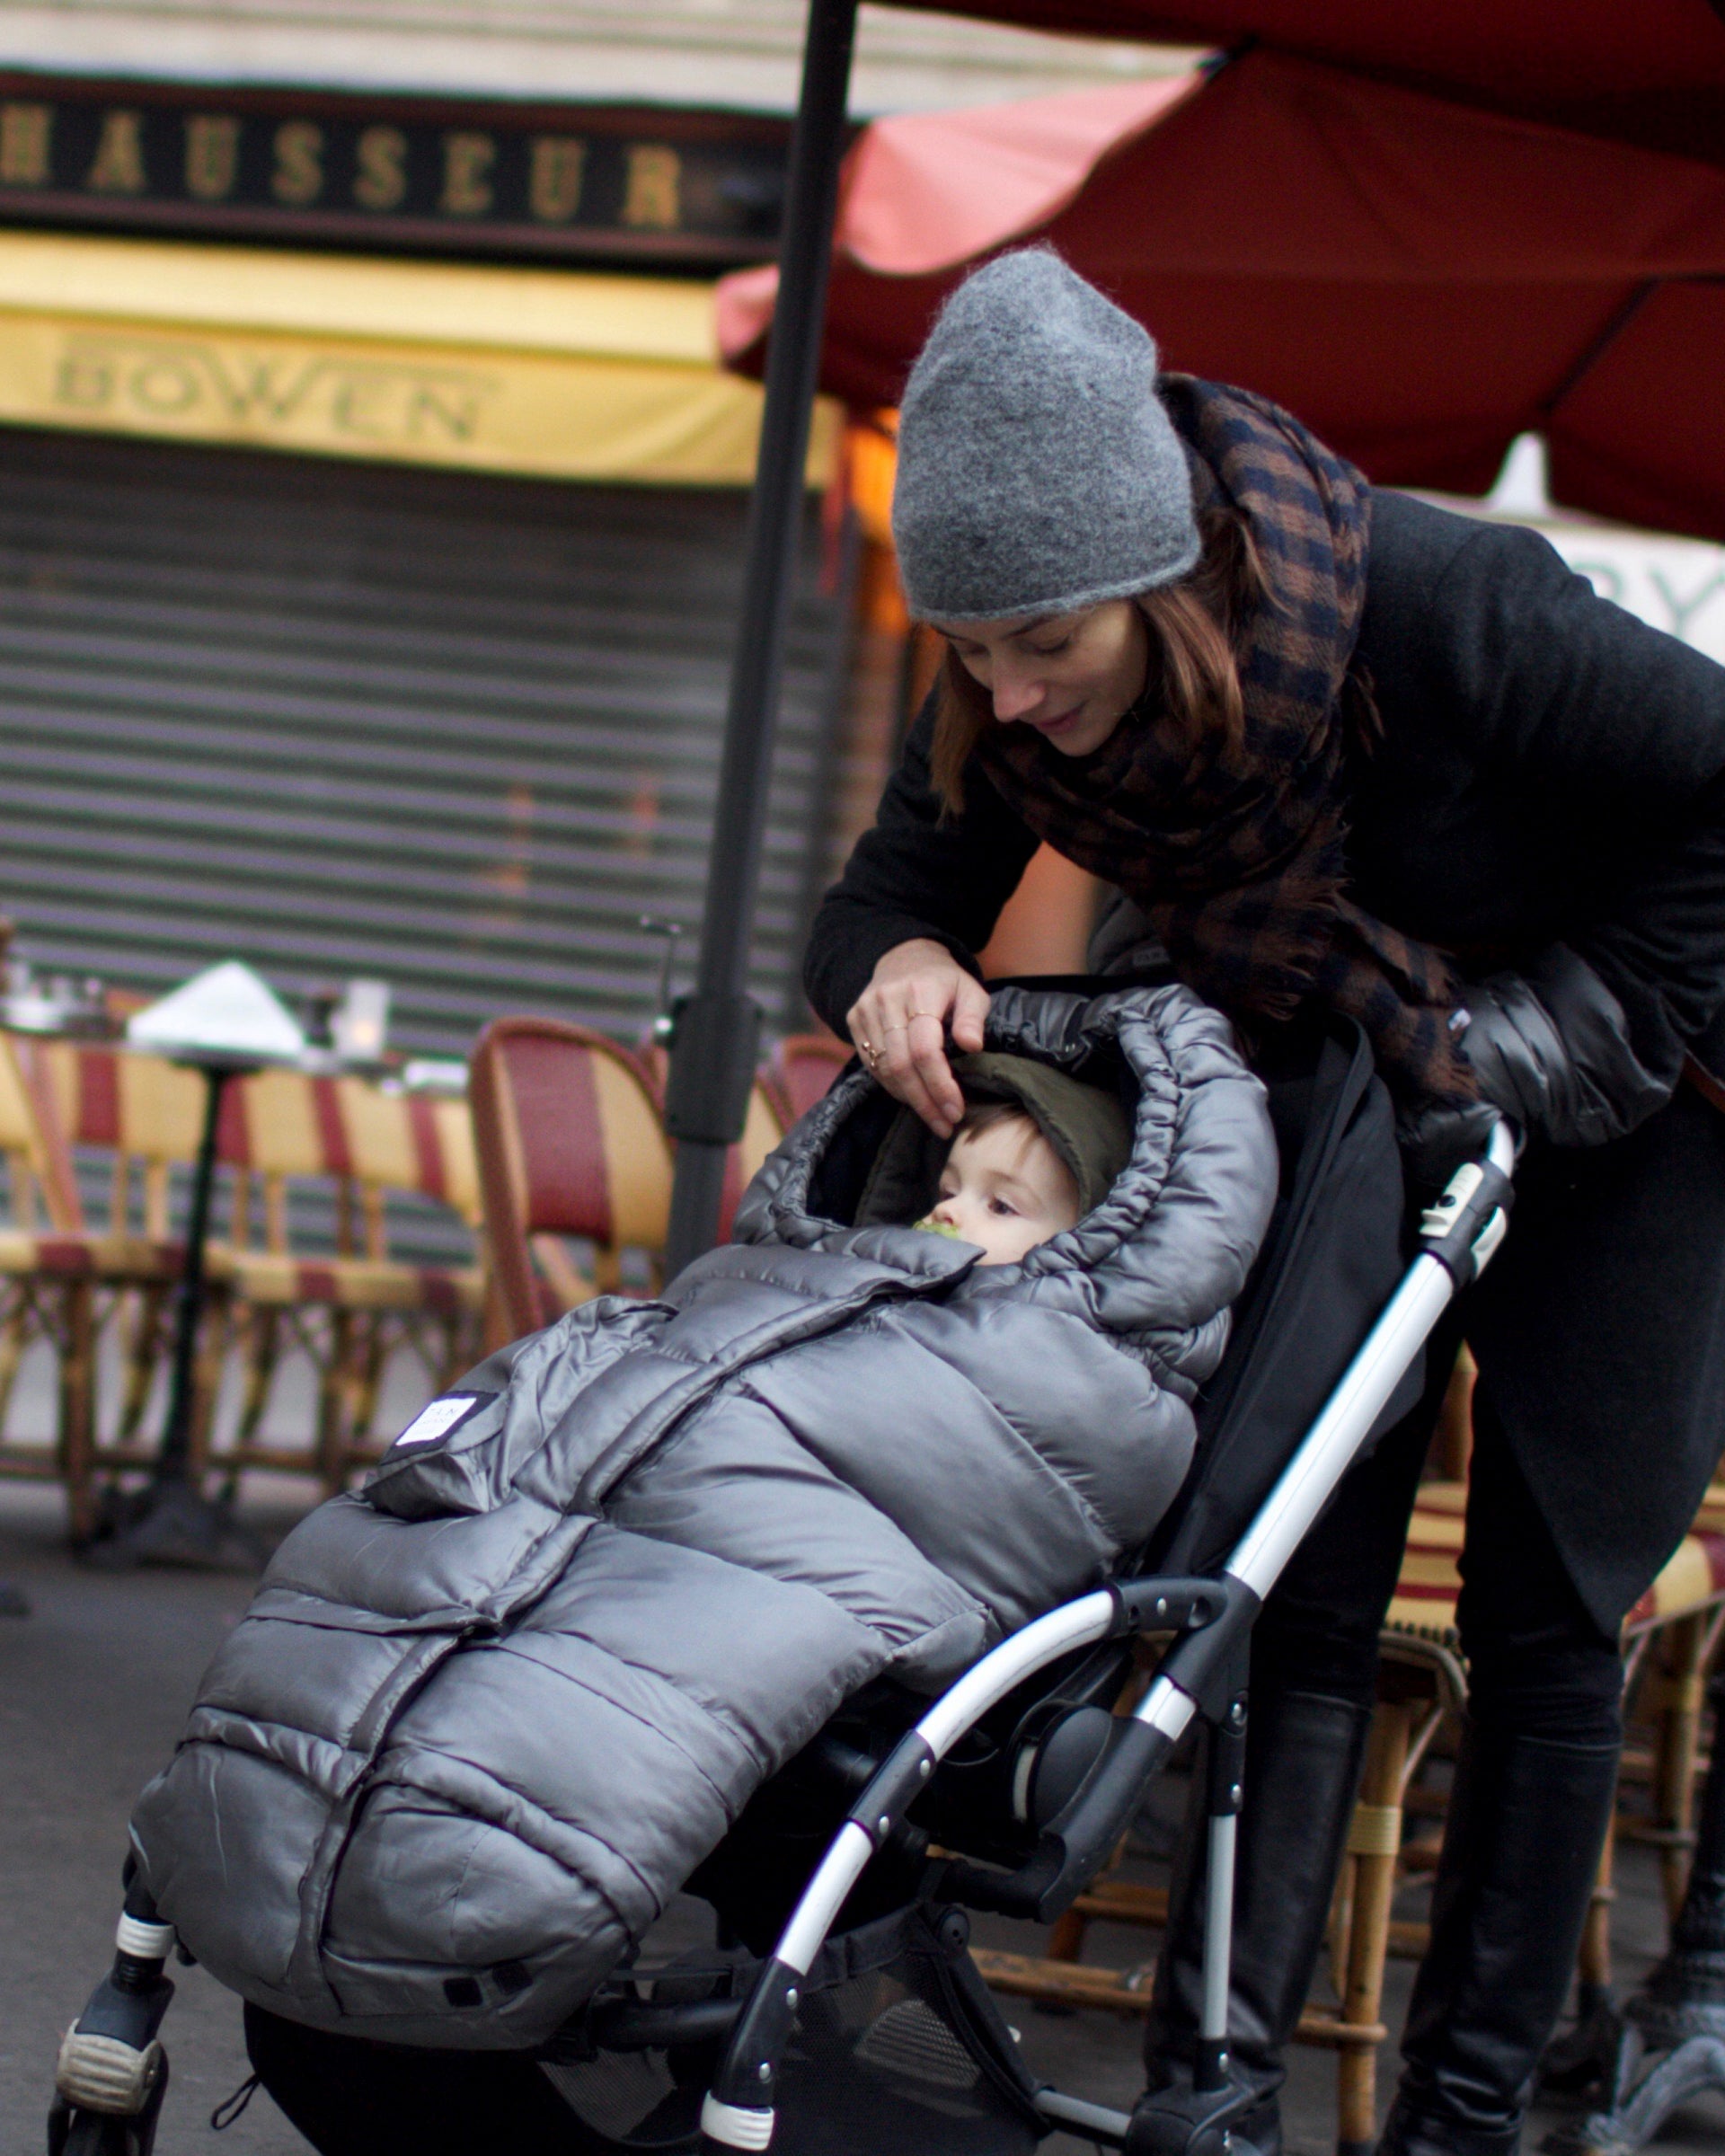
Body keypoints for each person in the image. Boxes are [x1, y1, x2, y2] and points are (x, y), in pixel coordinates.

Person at [802, 247, 1725, 2156]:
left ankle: (1459, 2127)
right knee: (1284, 1588)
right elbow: (881, 891)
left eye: (1042, 642)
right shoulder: (1011, 689)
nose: (1006, 690)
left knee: (1553, 1623)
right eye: (969, 648)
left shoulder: (1438, 605)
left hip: (1620, 1102)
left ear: (1164, 580)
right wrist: (890, 961)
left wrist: (1543, 1040)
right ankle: (1213, 2094)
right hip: (1331, 1107)